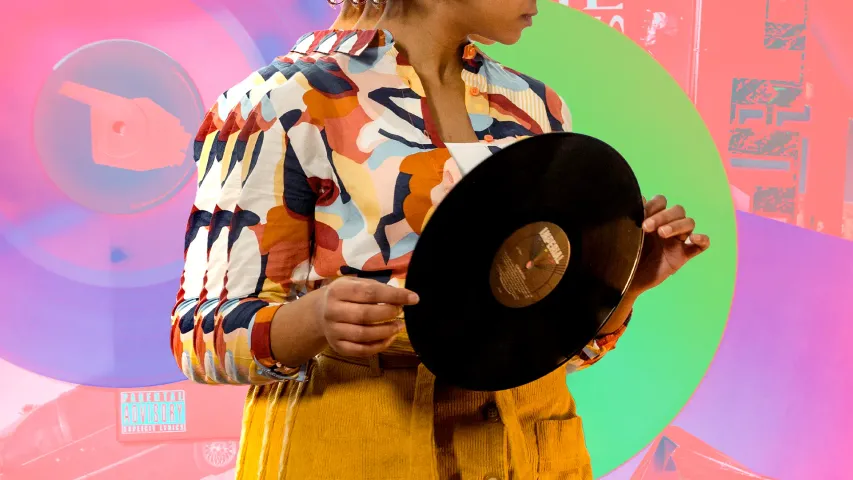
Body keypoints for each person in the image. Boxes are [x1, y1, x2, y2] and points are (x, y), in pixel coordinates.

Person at [171, 0, 711, 479]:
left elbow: (541, 347)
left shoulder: (534, 107)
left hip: (532, 449)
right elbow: (199, 336)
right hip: (351, 446)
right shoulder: (280, 104)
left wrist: (619, 289)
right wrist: (315, 321)